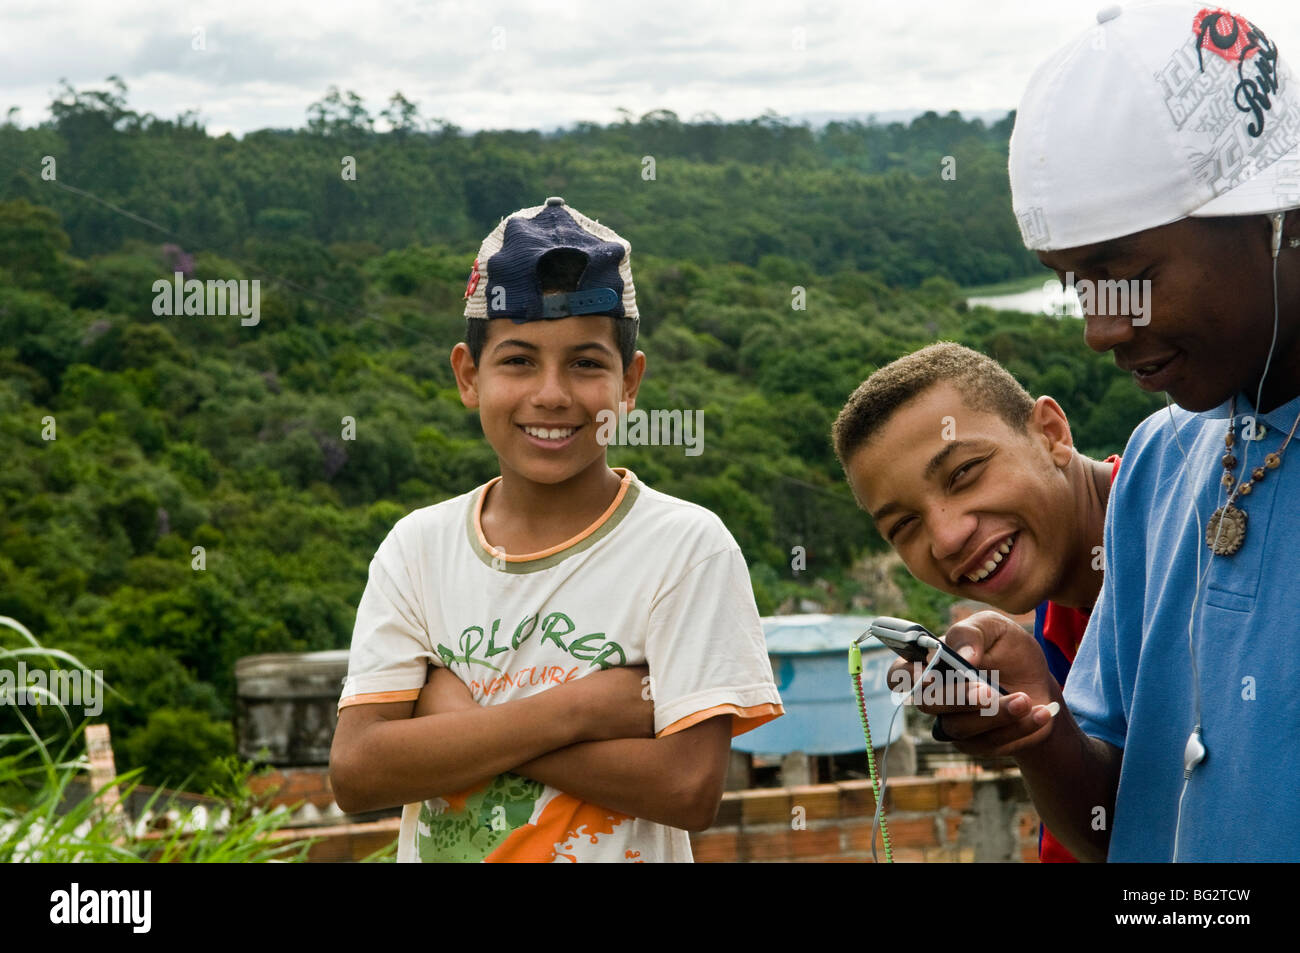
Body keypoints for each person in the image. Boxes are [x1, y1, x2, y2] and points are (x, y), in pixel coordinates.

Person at [896, 3, 1300, 861]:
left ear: (1277, 218)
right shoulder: (1159, 465)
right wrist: (1038, 722)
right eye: (1076, 286)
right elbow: (1121, 819)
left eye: (1127, 276)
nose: (1101, 329)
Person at [328, 197, 783, 862]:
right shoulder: (417, 551)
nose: (552, 393)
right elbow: (360, 770)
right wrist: (580, 710)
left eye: (586, 363)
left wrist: (459, 727)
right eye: (517, 361)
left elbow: (687, 786)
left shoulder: (685, 548)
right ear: (468, 375)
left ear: (629, 383)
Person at [832, 341, 1120, 862]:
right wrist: (1038, 731)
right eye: (904, 525)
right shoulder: (1053, 634)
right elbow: (1118, 838)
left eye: (963, 473)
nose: (945, 538)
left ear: (1050, 434)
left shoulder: (1199, 532)